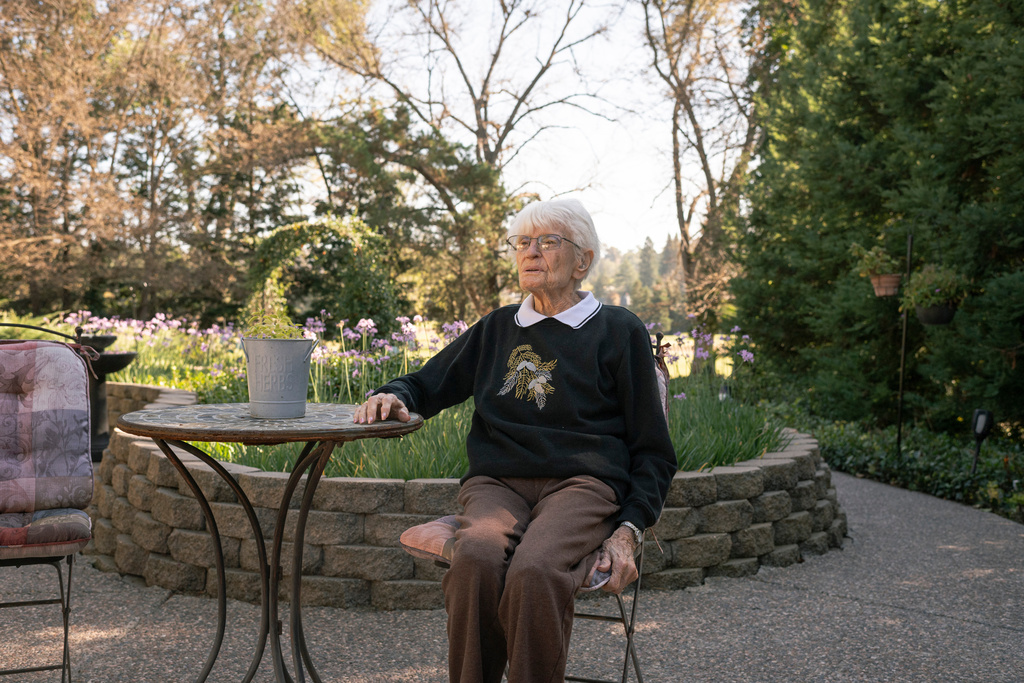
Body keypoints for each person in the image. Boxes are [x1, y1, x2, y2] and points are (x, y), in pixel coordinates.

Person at [355, 198, 677, 683]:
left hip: (584, 485)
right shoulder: (498, 327)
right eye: (523, 242)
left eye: (548, 241)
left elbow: (653, 449)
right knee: (476, 560)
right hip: (497, 484)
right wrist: (391, 395)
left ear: (582, 260)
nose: (531, 252)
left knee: (535, 571)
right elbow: (426, 383)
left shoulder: (618, 330)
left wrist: (628, 529)